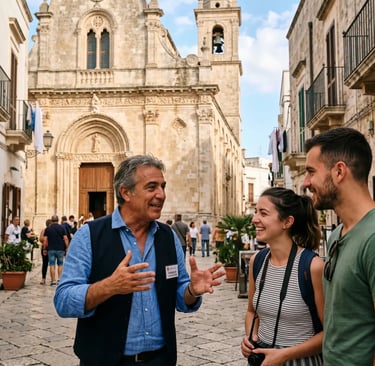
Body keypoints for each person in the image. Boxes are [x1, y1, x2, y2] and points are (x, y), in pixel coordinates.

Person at [54, 154, 225, 366]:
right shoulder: (89, 235)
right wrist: (109, 286)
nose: (161, 195)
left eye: (163, 186)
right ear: (126, 192)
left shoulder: (168, 236)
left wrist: (191, 290)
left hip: (160, 359)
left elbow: (181, 298)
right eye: (152, 187)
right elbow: (63, 300)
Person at [303, 127, 375, 366]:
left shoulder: (372, 238)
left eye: (311, 172)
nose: (305, 183)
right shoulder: (335, 236)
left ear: (339, 171)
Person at [241, 187, 324, 365]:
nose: (255, 219)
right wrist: (250, 336)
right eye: (256, 212)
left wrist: (284, 355)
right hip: (263, 359)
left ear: (287, 222)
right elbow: (251, 311)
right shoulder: (257, 261)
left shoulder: (312, 266)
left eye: (263, 213)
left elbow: (330, 332)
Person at [44, 215, 69, 286]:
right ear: (58, 220)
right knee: (60, 264)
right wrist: (67, 247)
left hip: (51, 249)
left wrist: (44, 248)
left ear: (51, 220)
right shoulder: (62, 227)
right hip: (60, 249)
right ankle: (59, 279)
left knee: (52, 265)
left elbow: (45, 240)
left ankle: (53, 281)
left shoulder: (48, 228)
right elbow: (66, 238)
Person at [39, 219, 51, 285]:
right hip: (46, 248)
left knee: (46, 264)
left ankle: (45, 278)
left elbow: (41, 239)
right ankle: (44, 278)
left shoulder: (46, 230)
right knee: (45, 263)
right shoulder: (44, 230)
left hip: (48, 248)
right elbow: (41, 239)